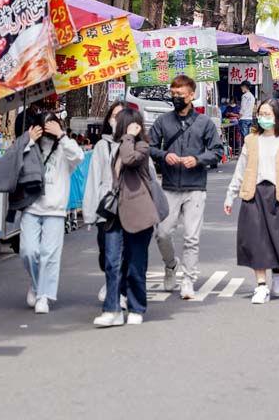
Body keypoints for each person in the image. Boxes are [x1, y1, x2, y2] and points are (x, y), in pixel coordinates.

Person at [149, 75, 225, 299]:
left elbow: (218, 151)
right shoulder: (163, 121)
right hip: (170, 185)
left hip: (195, 187)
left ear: (191, 95)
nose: (176, 98)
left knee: (192, 237)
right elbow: (149, 146)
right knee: (162, 233)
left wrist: (198, 159)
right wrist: (165, 155)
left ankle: (188, 280)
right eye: (173, 94)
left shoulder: (204, 123)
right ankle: (171, 264)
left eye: (180, 95)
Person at [223, 99, 279, 304]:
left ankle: (276, 274)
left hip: (278, 195)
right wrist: (230, 195)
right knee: (256, 241)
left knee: (277, 239)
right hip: (253, 193)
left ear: (277, 115)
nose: (263, 118)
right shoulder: (251, 140)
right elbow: (241, 169)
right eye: (261, 114)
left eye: (267, 114)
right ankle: (260, 285)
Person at [94, 108, 163, 327]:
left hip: (138, 213)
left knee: (135, 263)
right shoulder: (114, 148)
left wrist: (130, 137)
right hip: (115, 213)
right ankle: (112, 308)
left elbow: (130, 158)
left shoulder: (141, 146)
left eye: (118, 121)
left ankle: (136, 307)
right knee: (112, 262)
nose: (114, 124)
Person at [17, 112, 84, 314]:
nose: (46, 130)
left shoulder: (64, 148)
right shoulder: (31, 146)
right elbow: (15, 160)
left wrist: (62, 135)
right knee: (28, 251)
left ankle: (43, 296)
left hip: (55, 210)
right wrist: (27, 139)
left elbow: (79, 156)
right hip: (31, 206)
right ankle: (38, 285)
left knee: (49, 255)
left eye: (50, 125)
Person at [83, 101, 127, 306]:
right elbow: (93, 180)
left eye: (121, 116)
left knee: (125, 252)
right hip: (106, 209)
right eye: (114, 115)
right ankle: (112, 281)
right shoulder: (102, 146)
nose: (116, 120)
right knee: (107, 254)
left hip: (130, 209)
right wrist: (89, 214)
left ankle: (119, 292)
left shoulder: (137, 144)